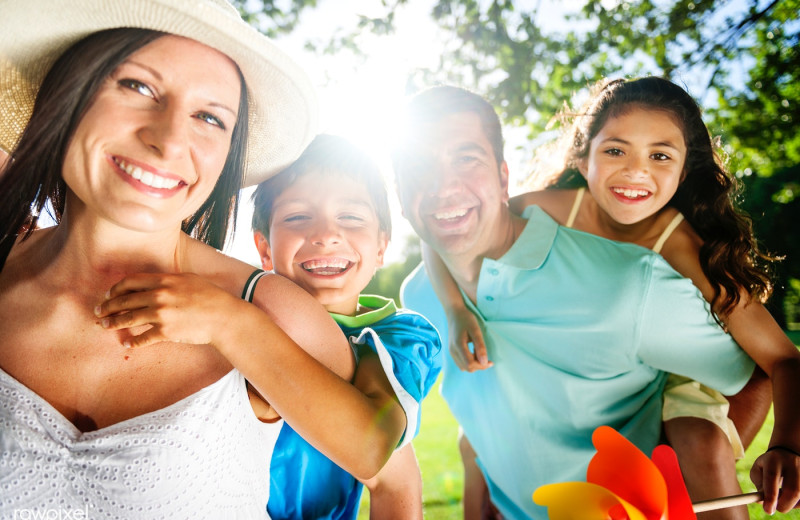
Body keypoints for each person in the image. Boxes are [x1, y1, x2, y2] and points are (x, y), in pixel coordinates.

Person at [0, 1, 404, 516]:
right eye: (138, 87)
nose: (169, 140)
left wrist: (230, 325)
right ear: (68, 93)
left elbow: (381, 463)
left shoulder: (270, 313)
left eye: (210, 117)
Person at [417, 77, 800, 519]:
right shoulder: (557, 208)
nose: (636, 171)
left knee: (702, 446)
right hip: (602, 362)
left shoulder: (679, 243)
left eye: (659, 156)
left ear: (685, 169)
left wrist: (787, 446)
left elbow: (782, 360)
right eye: (616, 150)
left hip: (688, 363)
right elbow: (448, 221)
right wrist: (455, 309)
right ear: (584, 158)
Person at [251, 133, 443, 520]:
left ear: (380, 248)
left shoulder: (400, 339)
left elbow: (380, 452)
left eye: (351, 218)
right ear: (264, 248)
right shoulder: (240, 315)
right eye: (298, 217)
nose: (325, 235)